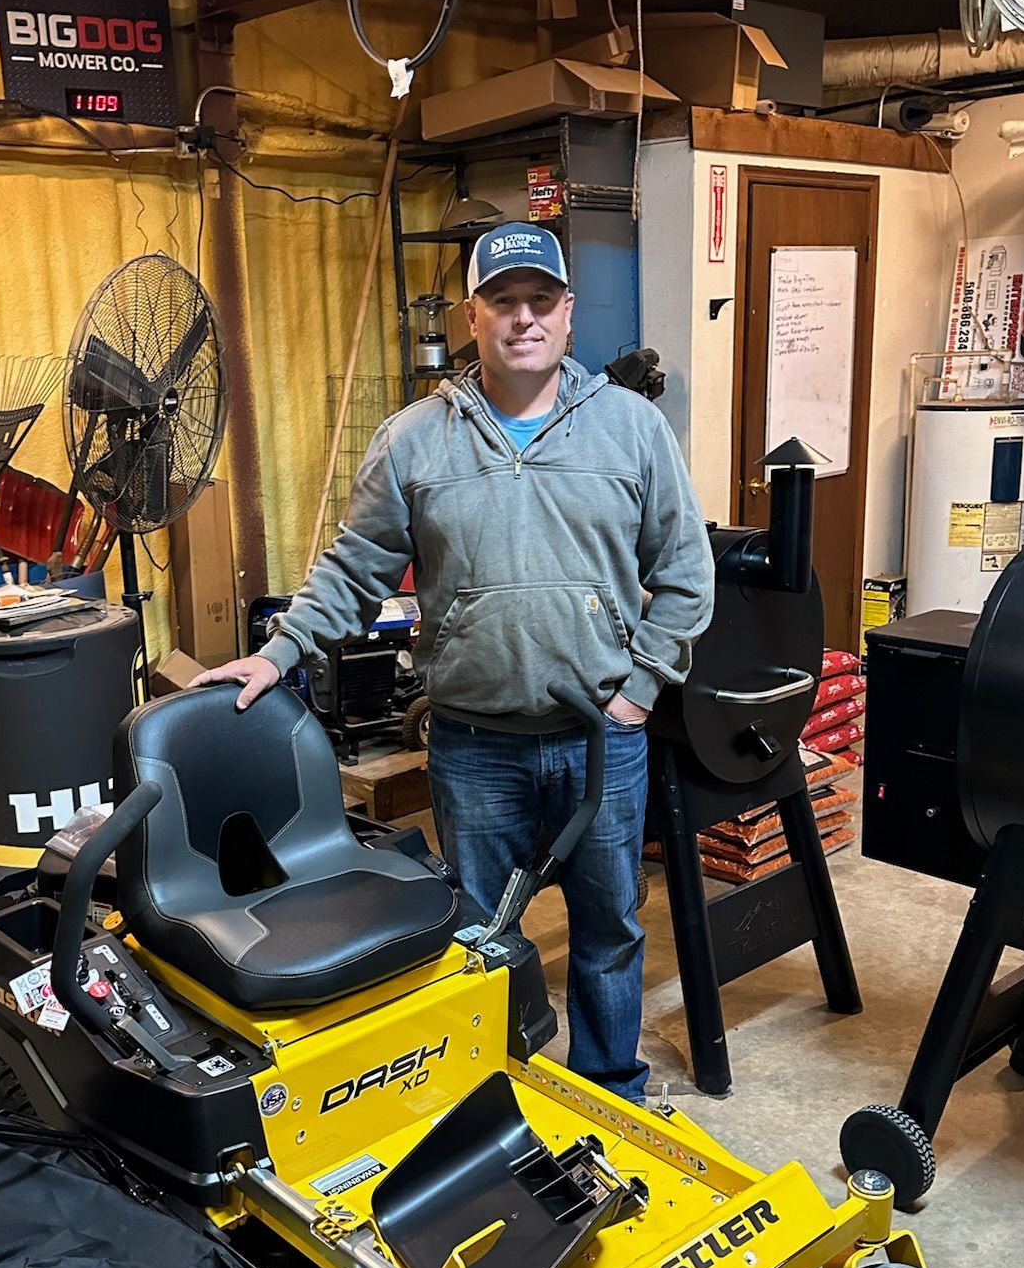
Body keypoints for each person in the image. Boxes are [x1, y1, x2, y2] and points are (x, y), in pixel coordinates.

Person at [193, 223, 714, 1102]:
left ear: (567, 314)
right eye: (502, 302)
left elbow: (687, 575)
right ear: (472, 316)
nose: (523, 319)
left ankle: (610, 1089)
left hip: (602, 739)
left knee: (609, 928)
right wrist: (278, 653)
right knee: (479, 933)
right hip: (476, 746)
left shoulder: (631, 429)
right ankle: (492, 1094)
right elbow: (355, 569)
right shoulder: (414, 440)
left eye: (539, 301)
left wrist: (639, 693)